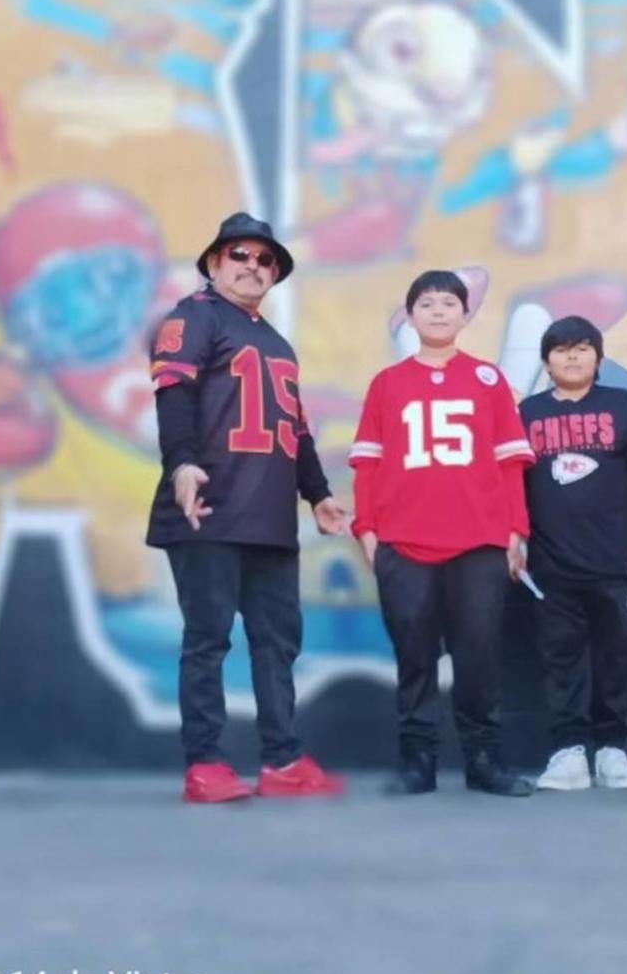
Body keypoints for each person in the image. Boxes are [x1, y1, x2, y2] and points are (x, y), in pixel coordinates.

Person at [147, 212, 347, 803]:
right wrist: (182, 462)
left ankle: (282, 759)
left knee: (277, 641)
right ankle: (204, 764)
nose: (253, 267)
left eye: (265, 260)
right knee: (207, 640)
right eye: (240, 255)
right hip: (208, 507)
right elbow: (174, 393)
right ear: (213, 262)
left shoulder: (275, 340)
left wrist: (319, 493)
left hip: (269, 518)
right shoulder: (192, 318)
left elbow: (297, 428)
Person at [349, 269, 536, 797]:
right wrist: (367, 530)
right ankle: (418, 762)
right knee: (414, 656)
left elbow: (510, 465)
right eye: (426, 303)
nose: (437, 311)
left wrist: (515, 531)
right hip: (404, 544)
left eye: (448, 302)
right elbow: (367, 464)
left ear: (465, 314)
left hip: (478, 542)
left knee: (479, 656)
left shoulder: (488, 380)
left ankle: (484, 760)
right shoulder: (388, 384)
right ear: (410, 316)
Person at [519, 317, 627, 791]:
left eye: (582, 348)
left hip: (618, 559)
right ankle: (569, 751)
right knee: (561, 657)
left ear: (598, 358)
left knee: (617, 654)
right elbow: (511, 484)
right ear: (546, 360)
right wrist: (514, 539)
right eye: (560, 349)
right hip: (551, 562)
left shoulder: (622, 405)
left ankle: (613, 749)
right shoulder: (528, 412)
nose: (572, 356)